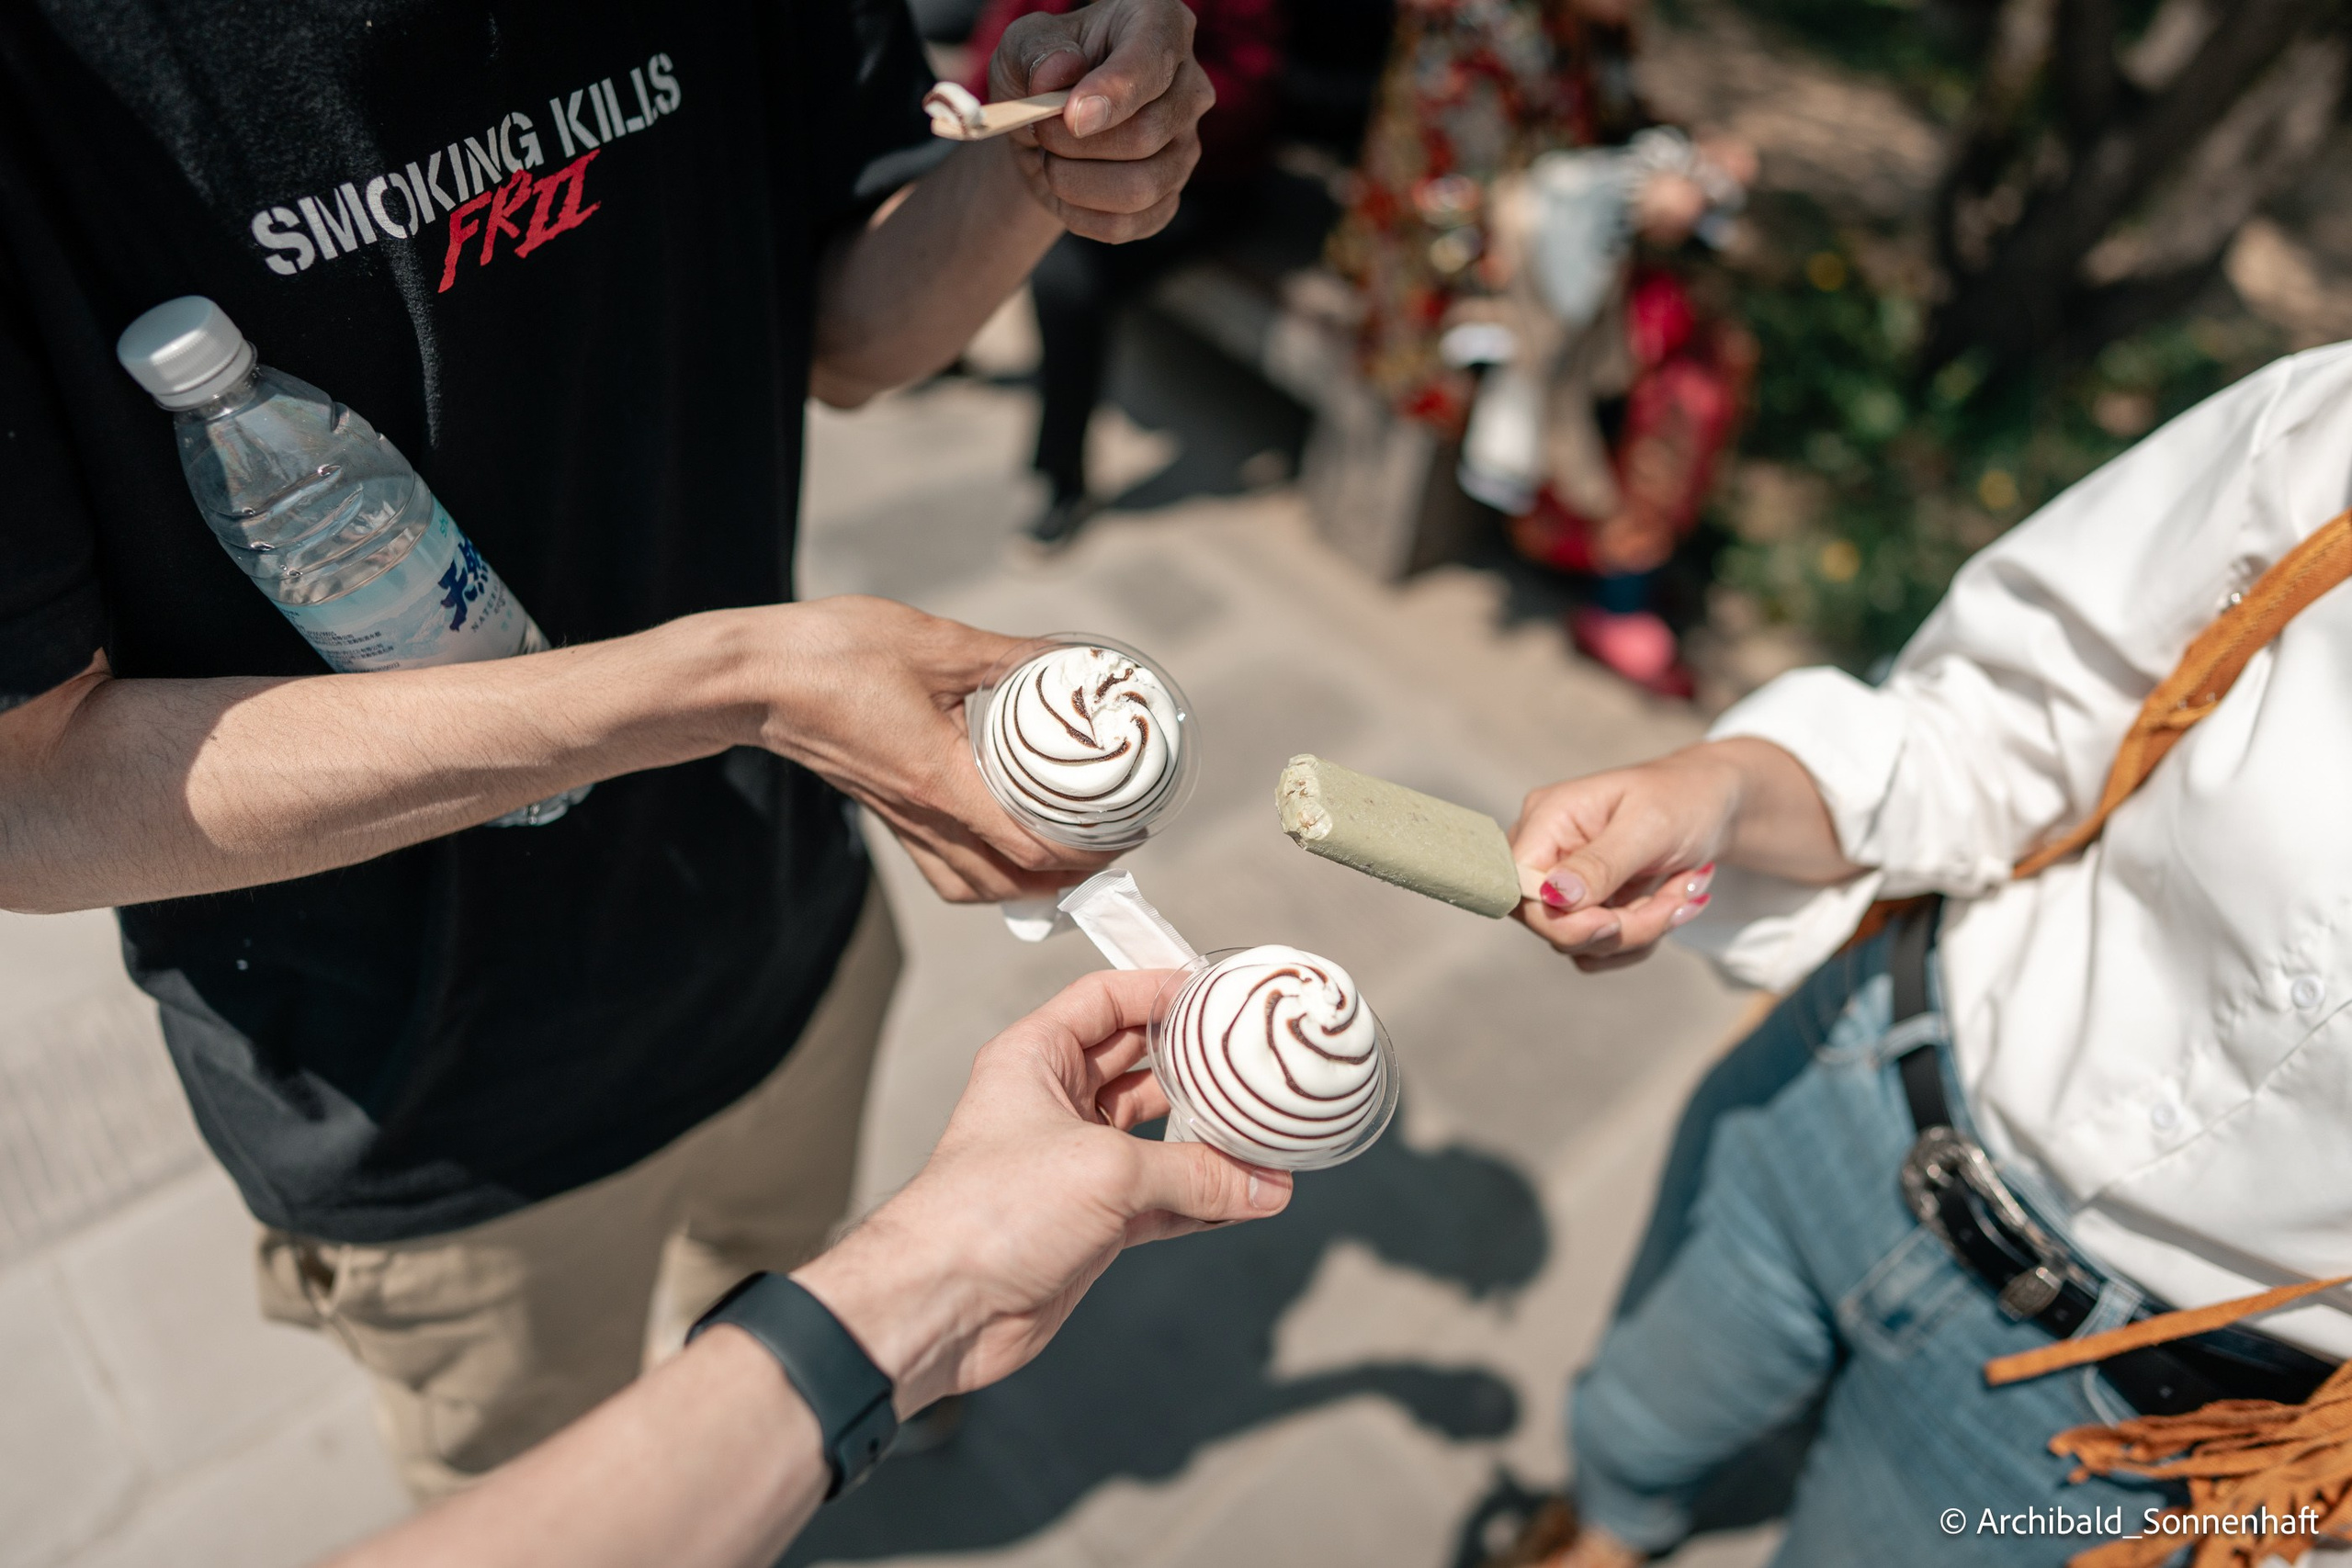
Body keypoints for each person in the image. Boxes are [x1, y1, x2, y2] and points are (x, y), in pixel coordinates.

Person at [0, 0, 1211, 1503]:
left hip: (784, 928)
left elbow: (842, 323)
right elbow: (32, 792)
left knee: (814, 1399)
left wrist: (1028, 180)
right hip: (428, 1092)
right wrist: (740, 680)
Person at [1494, 341, 2352, 1564]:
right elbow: (2018, 714)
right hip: (1843, 1099)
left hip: (2146, 1444)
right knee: (1621, 1448)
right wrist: (1727, 783)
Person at [325, 966, 1292, 1568]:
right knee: (518, 1442)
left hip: (786, 963)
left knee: (766, 1242)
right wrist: (759, 682)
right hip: (434, 1110)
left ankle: (808, 1405)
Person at [1327, 0, 1753, 697]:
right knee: (1665, 355)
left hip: (1546, 270)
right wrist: (1627, 203)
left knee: (1695, 345)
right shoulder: (1476, 23)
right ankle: (1617, 578)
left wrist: (1696, 160)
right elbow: (1448, 204)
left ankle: (1626, 558)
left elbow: (1613, 127)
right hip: (1449, 287)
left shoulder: (1583, 25)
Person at [962, 0, 1287, 548]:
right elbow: (1009, 27)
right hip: (1061, 139)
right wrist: (976, 102)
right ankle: (941, 346)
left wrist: (1149, 104)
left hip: (1200, 173)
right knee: (955, 183)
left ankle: (1061, 478)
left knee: (1066, 280)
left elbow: (1251, 84)